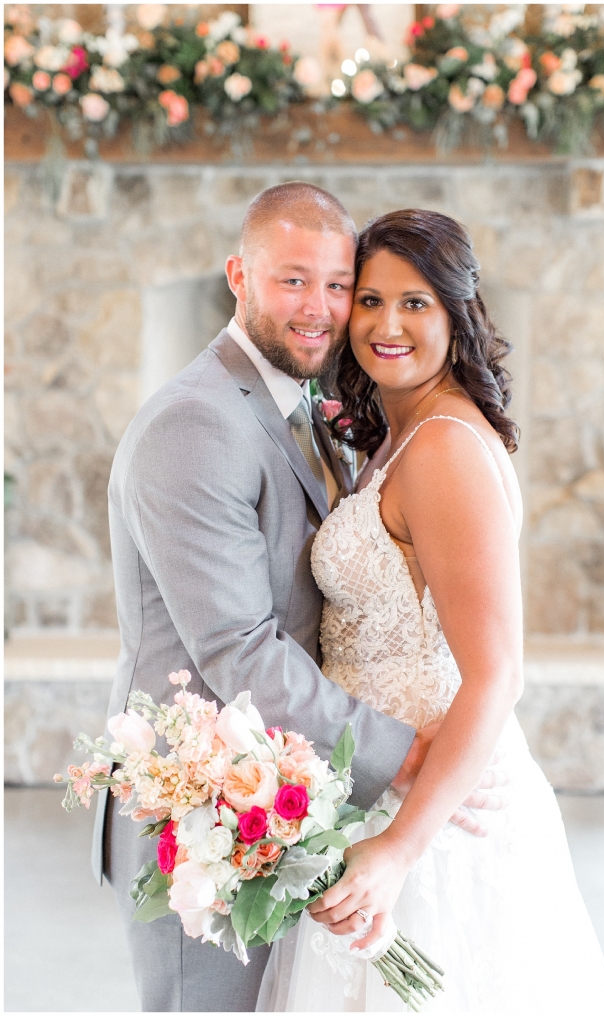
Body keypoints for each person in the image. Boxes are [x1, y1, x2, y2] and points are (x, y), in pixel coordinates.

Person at [93, 184, 504, 1012]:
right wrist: (401, 752)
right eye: (291, 281)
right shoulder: (197, 423)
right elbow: (238, 649)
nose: (319, 308)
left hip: (296, 791)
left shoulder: (308, 405)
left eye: (335, 283)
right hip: (206, 813)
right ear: (238, 276)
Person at [256, 209, 604, 1013]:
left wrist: (396, 850)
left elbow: (496, 675)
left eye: (415, 303)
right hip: (378, 782)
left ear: (458, 314)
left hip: (433, 823)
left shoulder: (446, 447)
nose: (387, 324)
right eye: (371, 299)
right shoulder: (404, 431)